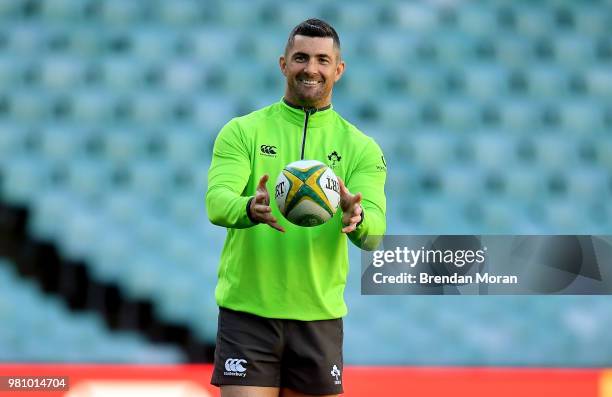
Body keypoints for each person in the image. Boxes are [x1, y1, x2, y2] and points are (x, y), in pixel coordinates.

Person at [206, 18, 387, 397]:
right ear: (283, 64)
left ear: (339, 69)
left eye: (323, 60)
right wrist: (249, 208)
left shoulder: (361, 147)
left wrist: (358, 218)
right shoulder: (243, 131)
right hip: (248, 314)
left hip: (318, 318)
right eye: (301, 57)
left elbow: (374, 234)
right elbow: (217, 202)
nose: (311, 68)